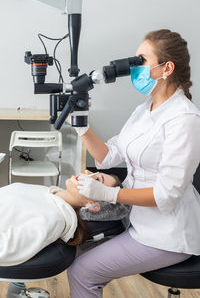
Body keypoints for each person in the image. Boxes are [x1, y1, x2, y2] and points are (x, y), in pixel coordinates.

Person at [67, 29, 200, 298]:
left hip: (167, 234)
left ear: (167, 68)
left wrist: (109, 193)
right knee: (74, 240)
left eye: (141, 60)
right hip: (136, 218)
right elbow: (109, 156)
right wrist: (82, 127)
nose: (133, 67)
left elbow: (167, 194)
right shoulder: (144, 109)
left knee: (82, 271)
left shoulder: (184, 119)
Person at [0, 171, 126, 266]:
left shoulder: (53, 219)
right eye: (94, 173)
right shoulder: (45, 192)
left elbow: (5, 248)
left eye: (98, 180)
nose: (87, 173)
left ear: (93, 205)